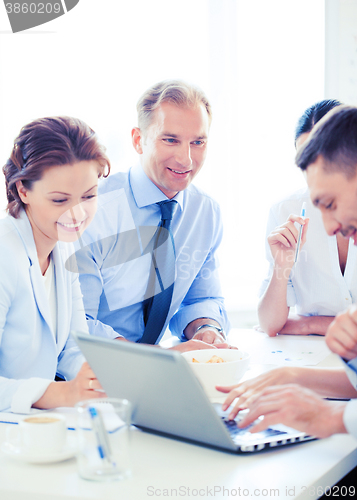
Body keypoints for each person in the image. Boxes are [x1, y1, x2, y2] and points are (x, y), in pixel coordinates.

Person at [219, 104, 357, 441]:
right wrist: (291, 377)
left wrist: (332, 417)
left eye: (330, 203)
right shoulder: (287, 210)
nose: (327, 227)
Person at [73, 80, 230, 352]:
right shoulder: (93, 209)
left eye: (198, 142)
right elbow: (78, 322)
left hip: (157, 372)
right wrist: (152, 360)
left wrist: (206, 328)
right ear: (138, 140)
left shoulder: (206, 213)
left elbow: (201, 298)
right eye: (170, 140)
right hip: (89, 370)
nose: (186, 160)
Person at [0, 116, 110, 413]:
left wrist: (103, 379)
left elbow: (73, 347)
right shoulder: (4, 255)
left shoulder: (62, 245)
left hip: (39, 426)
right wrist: (61, 394)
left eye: (89, 196)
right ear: (23, 190)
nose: (77, 214)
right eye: (60, 200)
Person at [257, 99, 357, 337]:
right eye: (305, 160)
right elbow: (270, 324)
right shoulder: (285, 210)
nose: (314, 170)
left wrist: (308, 324)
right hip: (311, 352)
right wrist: (282, 266)